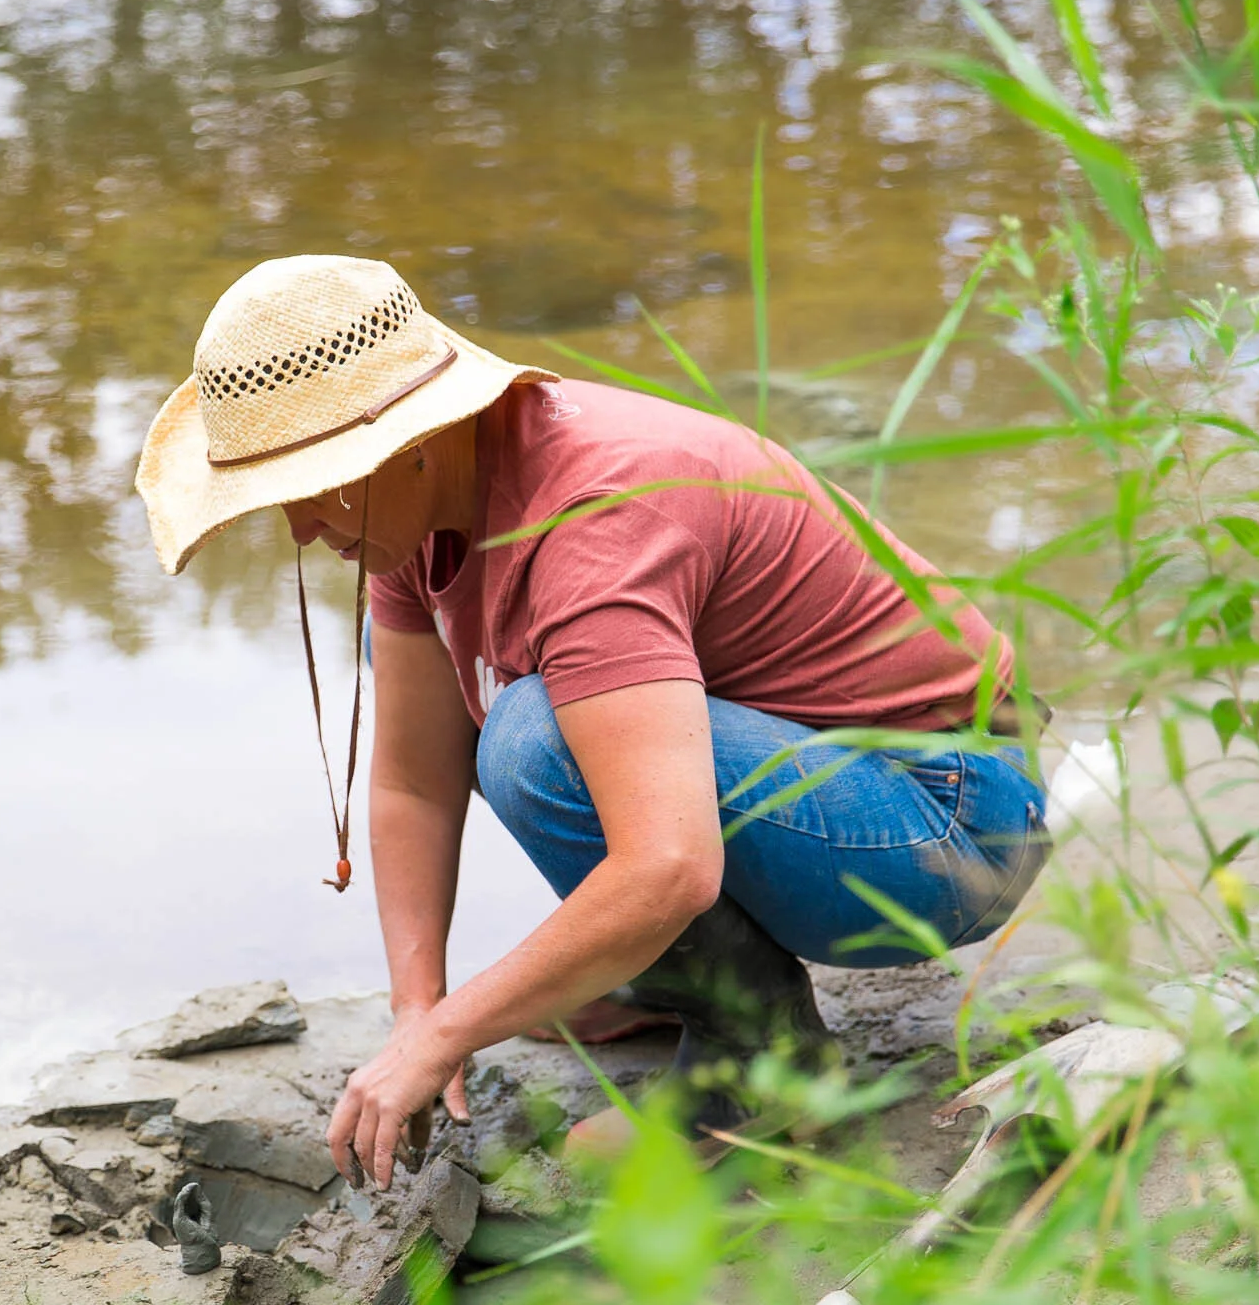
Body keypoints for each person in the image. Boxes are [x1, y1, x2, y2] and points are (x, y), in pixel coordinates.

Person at [137, 254, 1048, 1190]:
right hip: (817, 781)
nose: (297, 530)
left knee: (535, 739)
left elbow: (669, 864)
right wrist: (419, 1010)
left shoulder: (595, 518)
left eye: (309, 486)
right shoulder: (412, 508)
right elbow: (414, 780)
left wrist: (453, 1033)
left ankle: (764, 1072)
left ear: (403, 440)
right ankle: (666, 972)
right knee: (505, 727)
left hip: (951, 825)